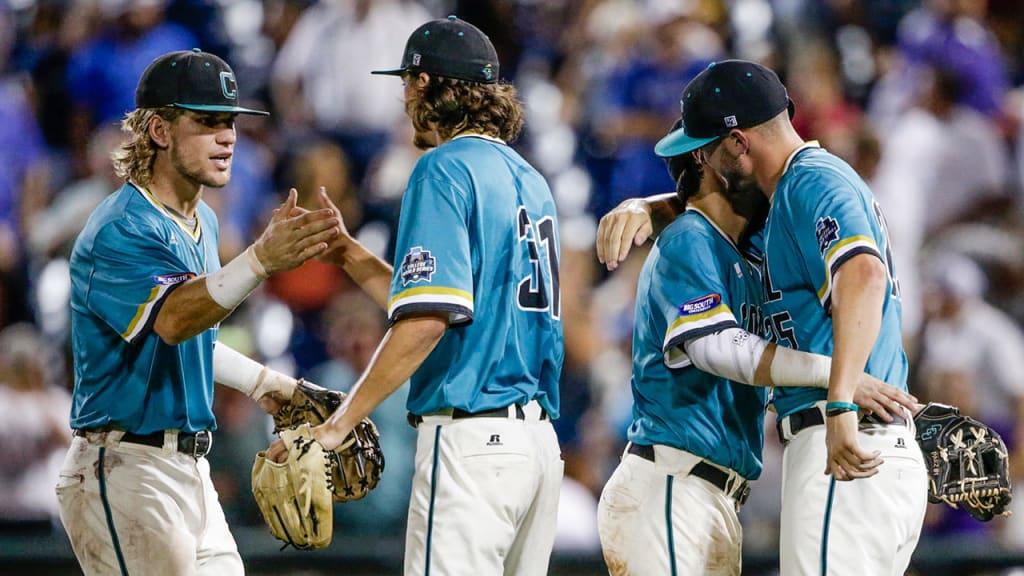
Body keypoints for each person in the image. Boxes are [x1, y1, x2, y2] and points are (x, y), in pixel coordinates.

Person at [266, 15, 564, 576]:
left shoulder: (443, 168)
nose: (402, 98)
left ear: (428, 85)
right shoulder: (530, 178)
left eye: (407, 81)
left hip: (473, 441)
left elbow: (426, 320)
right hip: (537, 448)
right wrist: (352, 254)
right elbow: (442, 304)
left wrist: (340, 422)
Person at [607, 59, 928, 575]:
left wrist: (843, 402)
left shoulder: (807, 182)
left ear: (736, 142)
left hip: (843, 440)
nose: (704, 159)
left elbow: (862, 277)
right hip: (840, 444)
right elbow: (706, 216)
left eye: (706, 147)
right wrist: (656, 207)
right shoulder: (771, 215)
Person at [55, 49, 341, 575]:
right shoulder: (123, 226)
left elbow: (194, 341)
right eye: (207, 122)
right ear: (160, 130)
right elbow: (172, 320)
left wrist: (273, 386)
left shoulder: (202, 221)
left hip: (188, 467)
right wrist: (259, 260)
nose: (228, 137)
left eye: (230, 122)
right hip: (125, 467)